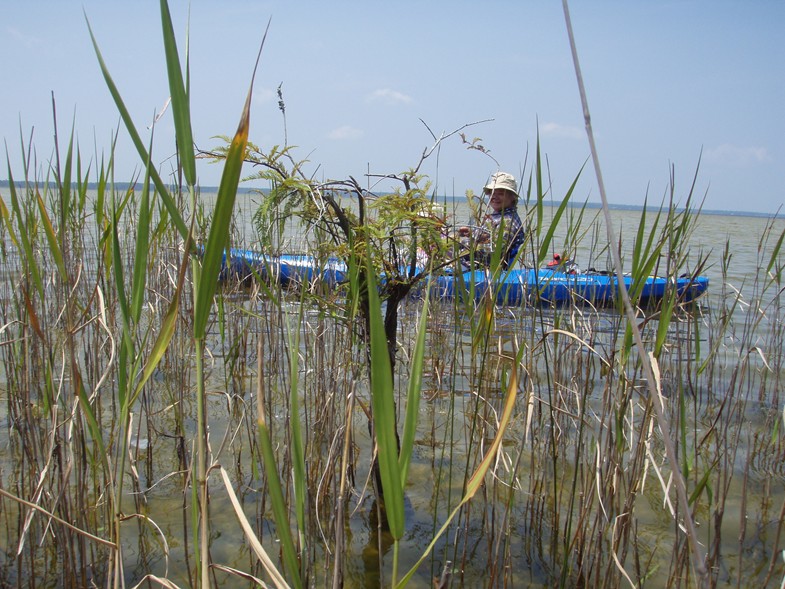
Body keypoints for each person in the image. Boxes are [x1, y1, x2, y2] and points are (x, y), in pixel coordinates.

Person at [457, 171, 525, 268]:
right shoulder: (498, 215)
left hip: (484, 271)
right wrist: (472, 233)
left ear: (512, 197)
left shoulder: (508, 222)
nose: (494, 197)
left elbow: (495, 253)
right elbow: (490, 238)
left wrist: (462, 243)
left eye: (501, 193)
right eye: (492, 192)